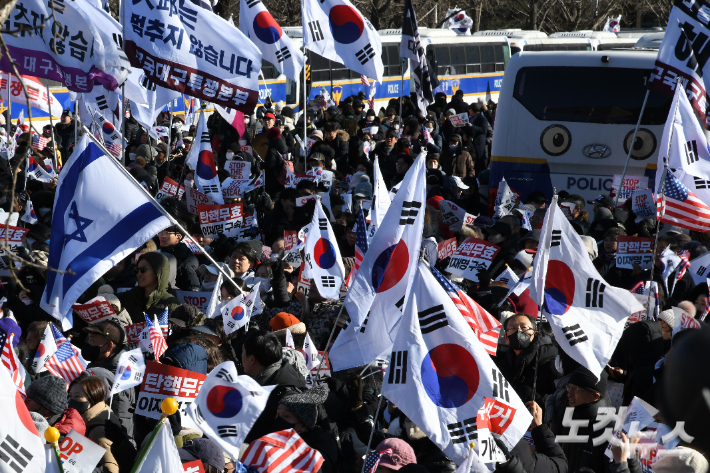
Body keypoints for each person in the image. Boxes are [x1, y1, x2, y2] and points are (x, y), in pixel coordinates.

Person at [242, 330, 307, 443]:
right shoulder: (258, 380)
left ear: (252, 359)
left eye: (243, 352)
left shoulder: (286, 398)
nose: (241, 356)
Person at [68, 375, 136, 473]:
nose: (71, 400)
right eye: (70, 396)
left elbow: (111, 468)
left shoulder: (98, 433)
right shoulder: (89, 421)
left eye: (78, 396)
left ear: (93, 398)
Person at [81, 320, 136, 440]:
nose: (88, 344)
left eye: (92, 340)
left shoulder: (110, 375)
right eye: (88, 339)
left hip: (109, 441)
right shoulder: (102, 365)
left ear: (109, 346)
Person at [495, 314, 560, 400]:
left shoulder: (552, 363)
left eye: (524, 327)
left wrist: (544, 409)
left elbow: (570, 403)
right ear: (506, 337)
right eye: (512, 328)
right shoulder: (501, 365)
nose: (518, 331)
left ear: (536, 334)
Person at [117, 252, 181, 322]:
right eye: (136, 270)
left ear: (158, 271)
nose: (138, 274)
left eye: (143, 269)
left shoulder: (171, 304)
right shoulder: (130, 297)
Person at [158, 223, 200, 291]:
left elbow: (192, 291)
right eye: (160, 232)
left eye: (166, 233)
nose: (161, 236)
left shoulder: (187, 262)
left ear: (178, 237)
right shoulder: (157, 253)